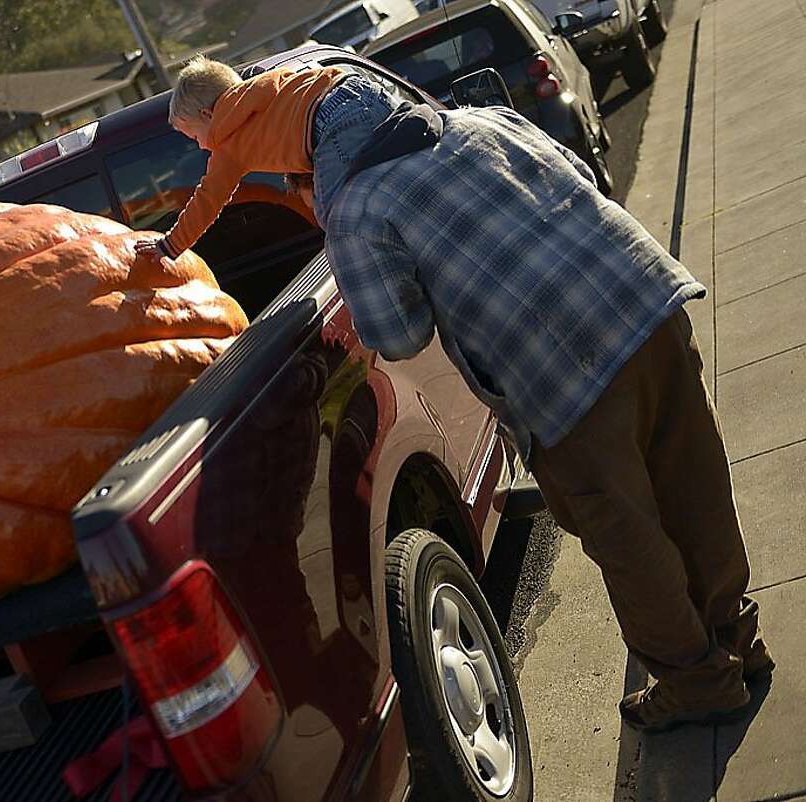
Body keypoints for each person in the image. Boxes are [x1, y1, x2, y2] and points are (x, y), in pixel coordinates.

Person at [313, 96, 770, 732]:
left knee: (627, 536)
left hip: (564, 371)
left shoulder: (357, 210)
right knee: (695, 489)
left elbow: (399, 334)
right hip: (644, 295)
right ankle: (738, 642)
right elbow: (577, 175)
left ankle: (697, 683)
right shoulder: (484, 119)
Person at [134, 55, 399, 265]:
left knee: (339, 223)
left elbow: (207, 200)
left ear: (207, 115)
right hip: (362, 89)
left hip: (333, 124)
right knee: (393, 187)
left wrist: (170, 245)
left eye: (194, 136)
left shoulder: (227, 142)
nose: (201, 145)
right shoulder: (266, 83)